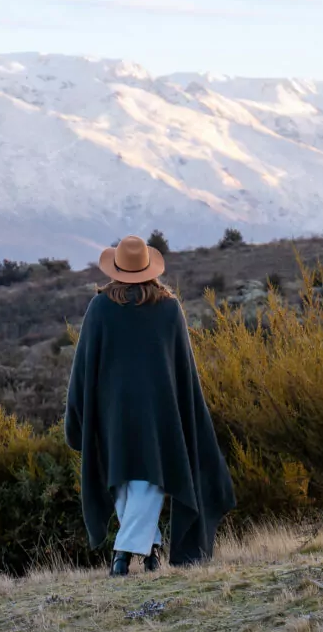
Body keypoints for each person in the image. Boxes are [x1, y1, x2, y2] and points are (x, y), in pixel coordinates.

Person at [64, 235, 235, 576]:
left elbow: (82, 367)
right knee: (145, 480)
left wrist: (80, 411)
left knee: (128, 479)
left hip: (112, 411)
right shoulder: (169, 308)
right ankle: (135, 550)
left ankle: (127, 553)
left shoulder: (100, 308)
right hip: (160, 413)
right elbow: (184, 371)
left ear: (117, 270)